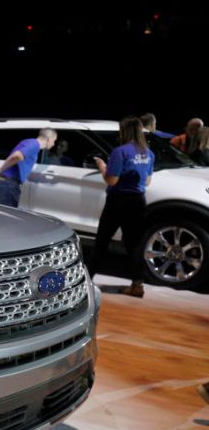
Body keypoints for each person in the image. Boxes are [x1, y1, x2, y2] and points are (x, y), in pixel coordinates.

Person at [87, 116, 154, 297]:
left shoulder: (120, 152)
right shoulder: (148, 153)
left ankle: (86, 282)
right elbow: (147, 181)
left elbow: (112, 179)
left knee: (102, 241)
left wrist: (102, 166)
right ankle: (137, 285)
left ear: (124, 131)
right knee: (134, 245)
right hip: (138, 201)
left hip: (118, 201)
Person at [0, 127, 57, 207]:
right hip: (8, 183)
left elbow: (16, 157)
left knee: (6, 214)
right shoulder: (35, 144)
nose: (53, 144)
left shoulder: (29, 142)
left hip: (5, 182)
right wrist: (1, 169)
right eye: (54, 141)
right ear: (49, 139)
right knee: (9, 216)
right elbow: (17, 156)